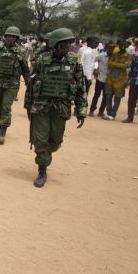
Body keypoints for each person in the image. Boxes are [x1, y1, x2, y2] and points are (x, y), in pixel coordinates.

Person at [25, 28, 86, 188]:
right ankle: (42, 170)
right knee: (40, 139)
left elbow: (80, 87)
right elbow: (31, 84)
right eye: (65, 43)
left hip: (61, 107)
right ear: (56, 44)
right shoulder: (42, 60)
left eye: (69, 43)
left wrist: (81, 110)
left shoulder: (74, 62)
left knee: (56, 141)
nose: (68, 46)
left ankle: (46, 155)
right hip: (41, 106)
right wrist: (28, 105)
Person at [0, 26, 29, 144]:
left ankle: (3, 130)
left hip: (12, 85)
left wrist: (28, 82)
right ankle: (0, 124)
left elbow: (25, 69)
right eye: (9, 36)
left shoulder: (19, 51)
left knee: (6, 107)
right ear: (5, 37)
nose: (10, 38)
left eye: (13, 37)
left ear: (17, 39)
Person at [103, 43, 131, 120]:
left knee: (117, 98)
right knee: (108, 96)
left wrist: (114, 63)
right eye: (121, 45)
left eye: (124, 45)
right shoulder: (114, 54)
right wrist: (119, 65)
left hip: (121, 79)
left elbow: (126, 66)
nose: (123, 46)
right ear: (118, 46)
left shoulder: (129, 55)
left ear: (126, 46)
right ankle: (109, 113)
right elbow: (109, 64)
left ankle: (113, 114)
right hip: (110, 78)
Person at [89, 43, 112, 118]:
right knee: (96, 95)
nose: (111, 50)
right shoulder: (101, 55)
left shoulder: (114, 58)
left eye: (112, 49)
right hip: (100, 79)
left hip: (108, 80)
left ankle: (101, 112)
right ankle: (92, 110)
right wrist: (95, 69)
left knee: (105, 97)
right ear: (106, 48)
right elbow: (93, 61)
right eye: (109, 48)